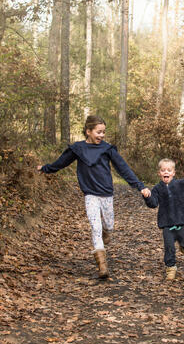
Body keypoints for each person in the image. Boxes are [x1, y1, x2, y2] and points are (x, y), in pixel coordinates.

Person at [36, 115, 151, 278]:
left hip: (106, 194)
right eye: (98, 132)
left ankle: (106, 233)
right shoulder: (78, 149)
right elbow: (60, 163)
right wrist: (45, 168)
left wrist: (140, 186)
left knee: (108, 225)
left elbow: (123, 169)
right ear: (88, 131)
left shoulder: (107, 149)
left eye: (103, 132)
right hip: (90, 194)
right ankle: (102, 267)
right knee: (95, 227)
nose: (102, 135)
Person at [143, 158, 184, 280]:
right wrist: (147, 196)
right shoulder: (157, 189)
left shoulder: (182, 184)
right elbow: (153, 204)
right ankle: (170, 268)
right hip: (167, 225)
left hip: (182, 223)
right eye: (163, 170)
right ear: (159, 173)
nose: (166, 172)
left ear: (173, 173)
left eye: (169, 170)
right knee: (169, 247)